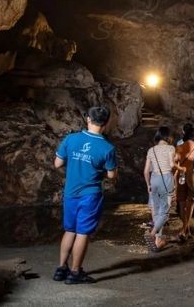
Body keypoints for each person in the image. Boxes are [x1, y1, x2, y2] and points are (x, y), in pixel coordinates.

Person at [53, 106, 117, 284]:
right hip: (90, 195)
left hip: (70, 192)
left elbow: (57, 163)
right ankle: (75, 273)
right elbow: (112, 175)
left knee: (69, 230)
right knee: (82, 233)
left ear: (88, 119)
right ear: (106, 123)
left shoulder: (71, 139)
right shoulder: (107, 148)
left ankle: (61, 269)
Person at [143, 126, 176, 252]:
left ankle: (157, 242)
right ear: (168, 137)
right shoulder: (170, 148)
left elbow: (146, 171)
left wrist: (148, 185)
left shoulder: (151, 150)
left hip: (154, 179)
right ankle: (152, 234)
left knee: (157, 212)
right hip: (166, 179)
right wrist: (180, 168)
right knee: (165, 212)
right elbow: (172, 165)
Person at [174, 124, 194, 242]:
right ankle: (185, 229)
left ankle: (185, 228)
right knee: (191, 204)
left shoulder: (179, 147)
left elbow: (174, 164)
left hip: (182, 177)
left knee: (182, 204)